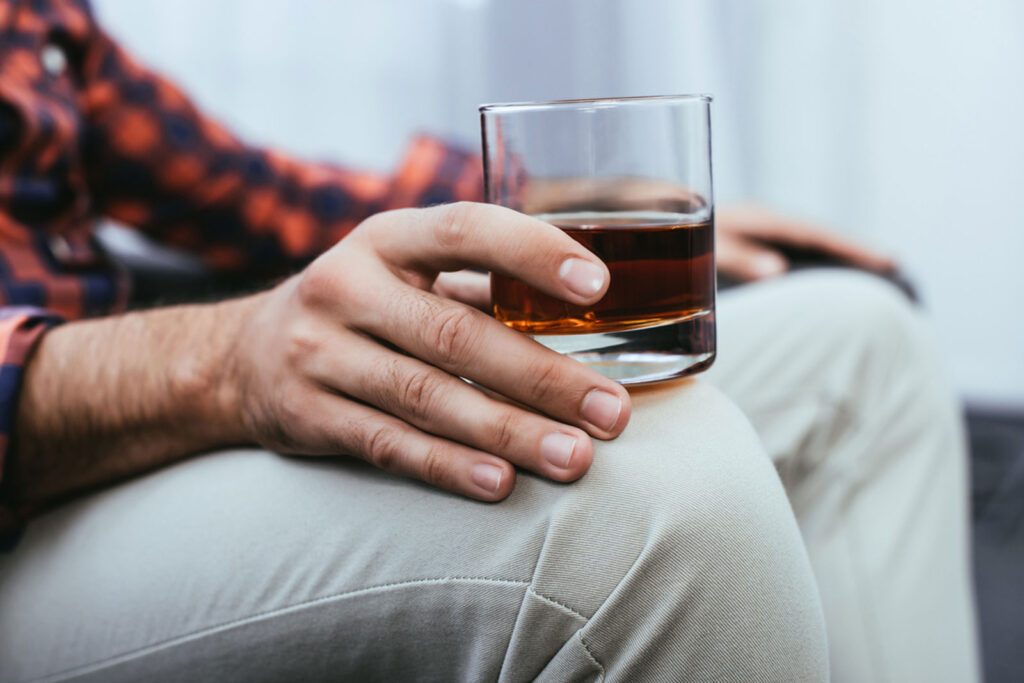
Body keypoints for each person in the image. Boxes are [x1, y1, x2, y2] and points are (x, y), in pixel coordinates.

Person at [0, 1, 979, 681]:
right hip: (25, 503)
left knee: (860, 343)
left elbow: (247, 188)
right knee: (658, 483)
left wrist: (542, 203)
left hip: (113, 452)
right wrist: (217, 361)